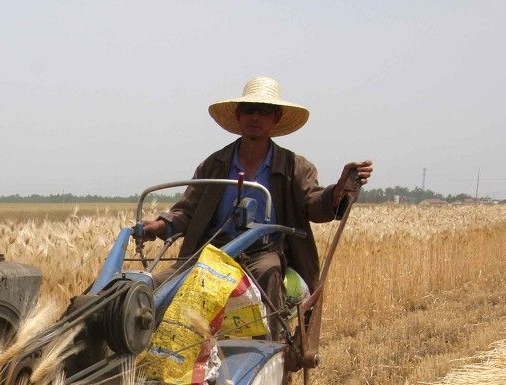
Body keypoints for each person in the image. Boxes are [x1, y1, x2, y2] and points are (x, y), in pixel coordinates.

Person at [140, 76, 373, 336]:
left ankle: (271, 349)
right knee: (154, 288)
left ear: (276, 118)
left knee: (269, 273)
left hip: (263, 252)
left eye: (264, 111)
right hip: (212, 252)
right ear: (238, 116)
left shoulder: (294, 166)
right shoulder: (215, 164)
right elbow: (187, 211)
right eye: (249, 110)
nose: (255, 117)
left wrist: (338, 190)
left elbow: (313, 203)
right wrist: (160, 225)